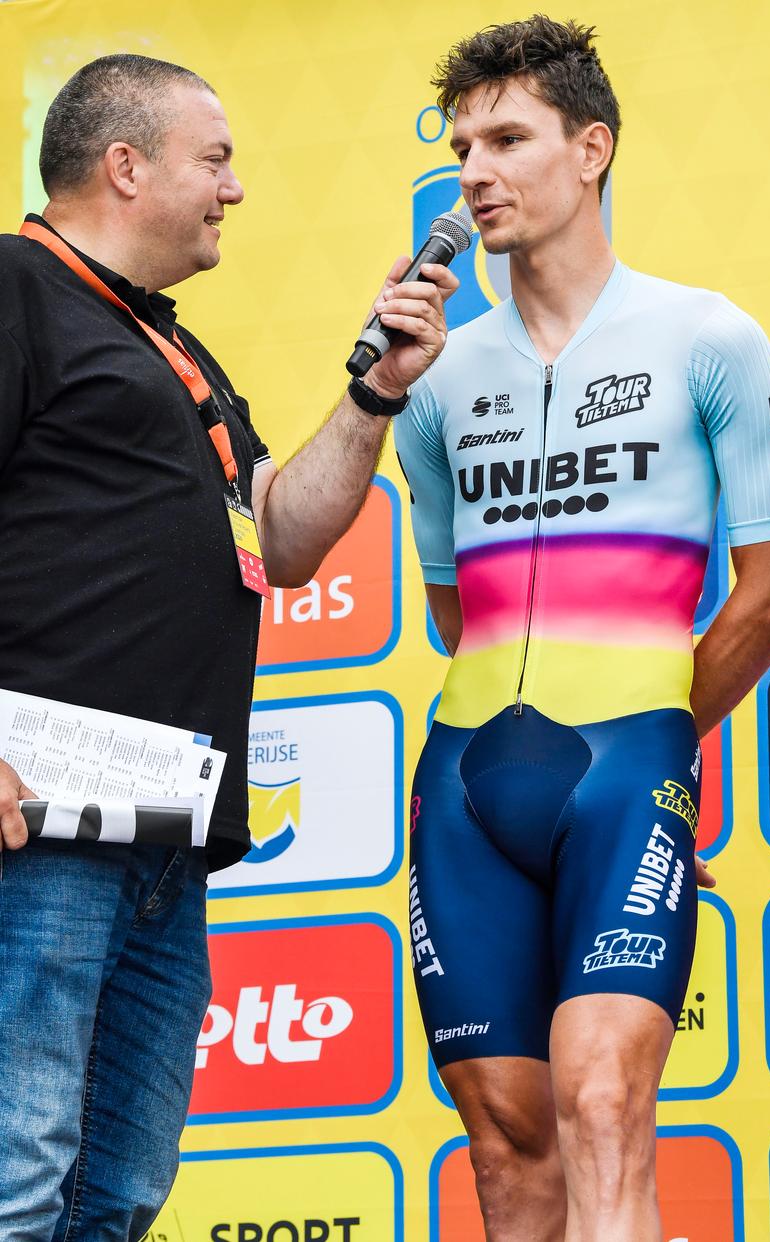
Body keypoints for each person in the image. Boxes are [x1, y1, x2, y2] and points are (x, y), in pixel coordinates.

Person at [0, 54, 454, 1241]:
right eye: (216, 161)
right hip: (35, 825)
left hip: (164, 833)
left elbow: (286, 538)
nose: (236, 189)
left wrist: (375, 393)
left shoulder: (172, 348)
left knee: (118, 1192)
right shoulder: (10, 287)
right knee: (16, 1169)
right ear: (125, 165)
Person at [395, 17, 770, 1242]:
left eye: (509, 138)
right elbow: (449, 609)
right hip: (466, 776)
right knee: (506, 1142)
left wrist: (655, 739)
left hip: (628, 763)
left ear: (592, 149)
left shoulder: (708, 337)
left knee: (601, 1097)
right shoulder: (434, 379)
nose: (476, 170)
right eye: (464, 143)